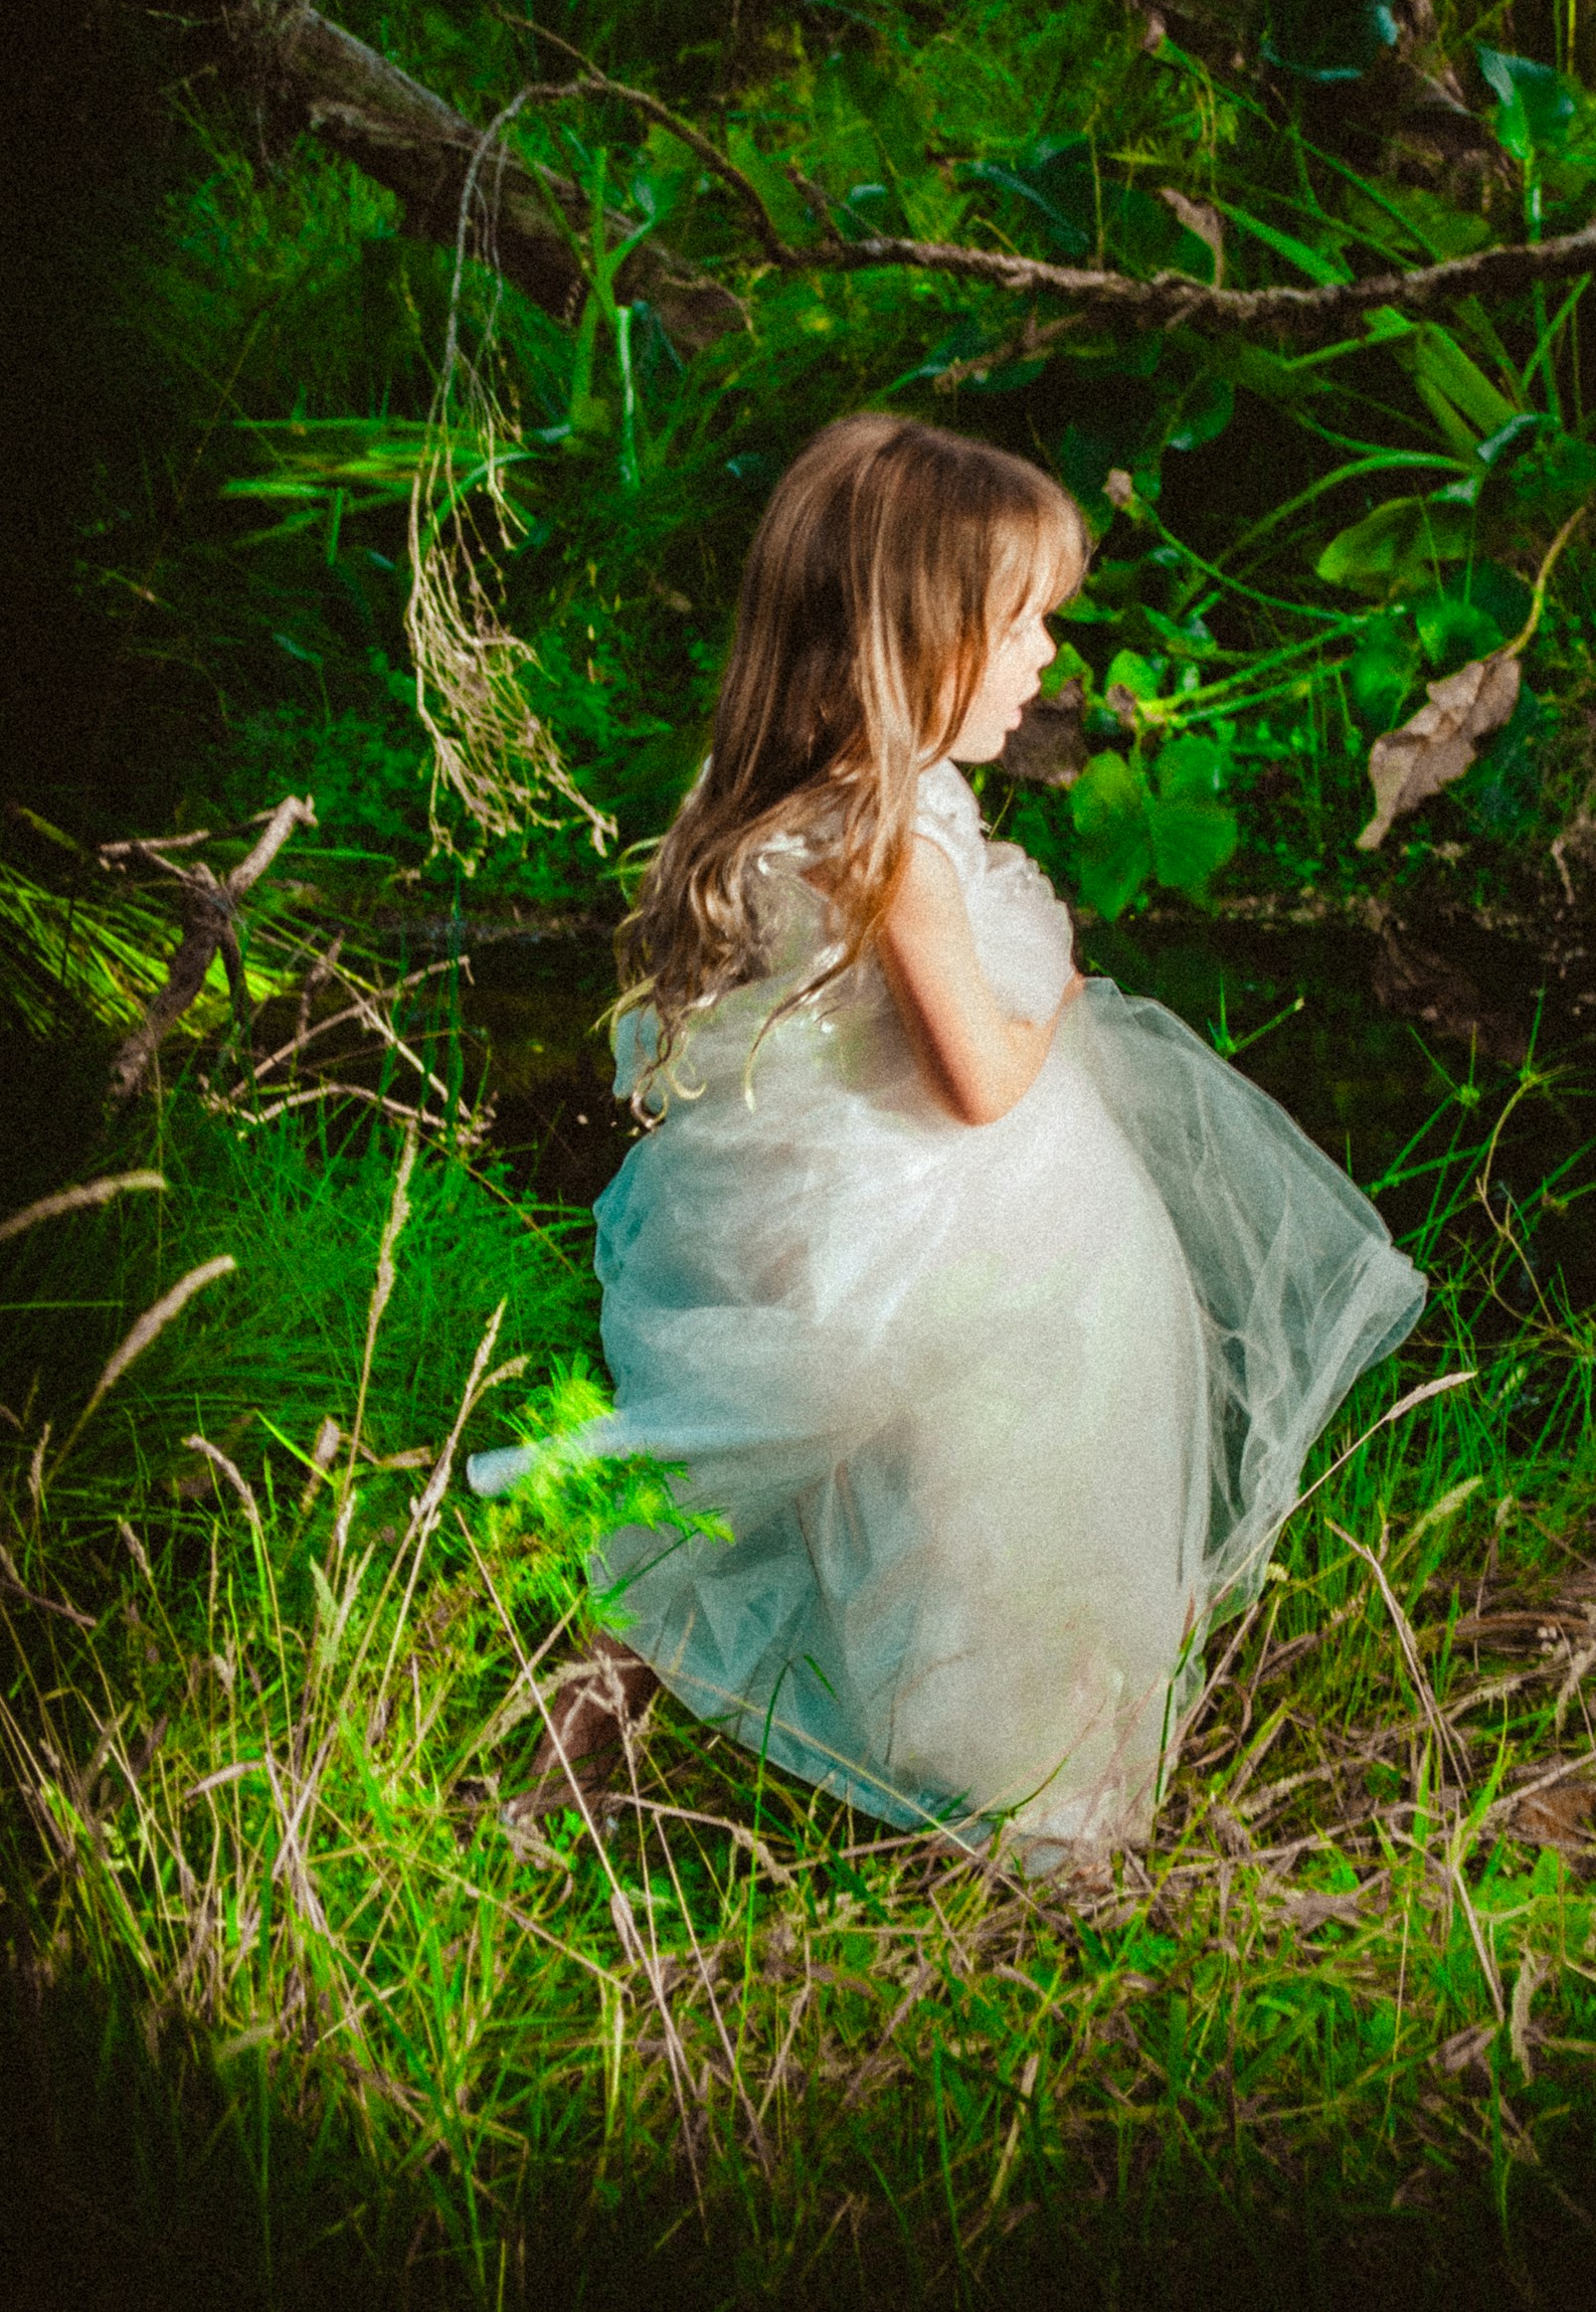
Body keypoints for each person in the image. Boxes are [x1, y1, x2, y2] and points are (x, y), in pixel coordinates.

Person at [468, 413, 1425, 1871]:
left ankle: (551, 1766)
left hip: (797, 1212)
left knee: (714, 1520)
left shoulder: (822, 807)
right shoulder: (902, 842)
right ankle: (1056, 1818)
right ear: (922, 640)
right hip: (923, 1232)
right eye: (1023, 624)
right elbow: (979, 1081)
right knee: (1039, 1481)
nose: (1048, 658)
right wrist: (1061, 1007)